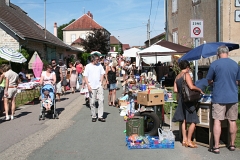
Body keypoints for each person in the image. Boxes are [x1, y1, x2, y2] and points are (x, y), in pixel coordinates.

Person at [206, 45, 240, 154]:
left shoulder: (215, 64)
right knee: (232, 120)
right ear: (228, 53)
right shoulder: (235, 64)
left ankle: (216, 146)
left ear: (218, 54)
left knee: (217, 120)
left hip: (219, 96)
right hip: (232, 96)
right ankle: (232, 144)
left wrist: (214, 83)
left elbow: (209, 80)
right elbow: (238, 81)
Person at [172, 60, 203, 148]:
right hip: (188, 101)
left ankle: (184, 140)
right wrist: (199, 90)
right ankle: (189, 140)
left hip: (181, 100)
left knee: (184, 120)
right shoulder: (186, 75)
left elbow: (175, 90)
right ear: (187, 67)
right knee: (194, 120)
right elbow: (191, 86)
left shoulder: (177, 77)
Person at [83, 53, 105, 122]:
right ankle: (93, 116)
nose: (98, 60)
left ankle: (100, 116)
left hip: (99, 85)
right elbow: (85, 76)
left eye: (99, 59)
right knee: (92, 102)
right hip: (91, 86)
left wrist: (101, 82)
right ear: (93, 59)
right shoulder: (88, 66)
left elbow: (102, 73)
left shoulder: (100, 65)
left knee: (101, 100)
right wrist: (88, 85)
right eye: (97, 59)